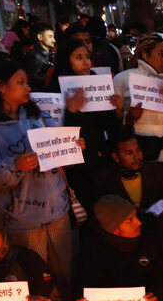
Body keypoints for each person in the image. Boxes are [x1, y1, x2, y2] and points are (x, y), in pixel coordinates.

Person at [0, 55, 75, 292]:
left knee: (65, 272)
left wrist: (70, 145)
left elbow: (53, 139)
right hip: (20, 218)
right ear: (0, 86)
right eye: (20, 82)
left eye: (27, 82)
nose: (28, 87)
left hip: (57, 209)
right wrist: (14, 166)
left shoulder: (34, 112)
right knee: (35, 276)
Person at [47, 37, 125, 209]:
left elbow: (109, 126)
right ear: (66, 60)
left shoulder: (96, 82)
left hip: (101, 161)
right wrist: (72, 111)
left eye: (87, 57)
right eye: (79, 57)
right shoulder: (54, 89)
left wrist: (118, 111)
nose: (86, 62)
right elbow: (54, 136)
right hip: (76, 167)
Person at [114, 33, 163, 192]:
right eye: (160, 54)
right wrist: (128, 117)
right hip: (139, 153)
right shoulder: (122, 79)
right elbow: (112, 123)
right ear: (145, 55)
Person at [93, 125, 163, 214]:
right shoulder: (104, 179)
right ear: (116, 157)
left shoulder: (157, 171)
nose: (136, 157)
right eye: (129, 153)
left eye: (138, 150)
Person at [25, 22, 55, 89]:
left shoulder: (48, 53)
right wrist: (51, 79)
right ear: (40, 37)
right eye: (50, 37)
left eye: (53, 36)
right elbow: (32, 77)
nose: (54, 40)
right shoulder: (36, 55)